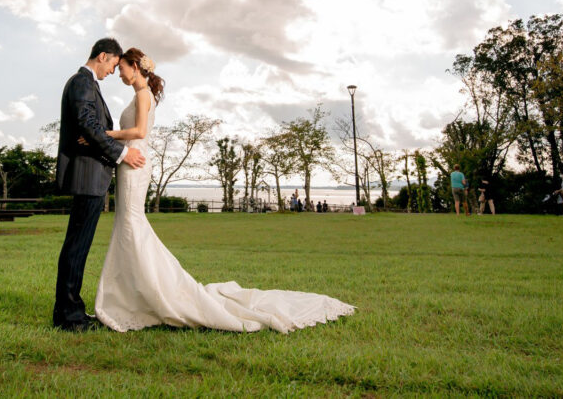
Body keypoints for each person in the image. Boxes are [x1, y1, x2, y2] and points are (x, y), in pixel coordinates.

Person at [94, 47, 355, 333]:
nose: (119, 72)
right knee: (128, 226)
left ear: (134, 66)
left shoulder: (143, 96)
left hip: (136, 162)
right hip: (129, 162)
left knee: (132, 224)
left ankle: (151, 294)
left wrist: (105, 134)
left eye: (122, 67)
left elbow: (140, 132)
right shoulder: (138, 95)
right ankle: (132, 296)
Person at [52, 38, 147, 332]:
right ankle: (69, 317)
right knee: (76, 247)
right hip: (87, 175)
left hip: (92, 175)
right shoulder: (81, 82)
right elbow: (88, 126)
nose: (113, 72)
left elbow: (92, 128)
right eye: (113, 65)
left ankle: (71, 311)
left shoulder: (88, 84)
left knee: (78, 246)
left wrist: (101, 136)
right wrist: (123, 152)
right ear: (103, 56)